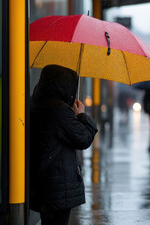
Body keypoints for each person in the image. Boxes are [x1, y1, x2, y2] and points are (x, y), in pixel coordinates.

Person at [30, 65, 98, 225]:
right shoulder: (59, 110)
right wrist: (82, 115)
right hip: (57, 184)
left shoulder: (34, 104)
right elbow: (83, 138)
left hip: (41, 180)